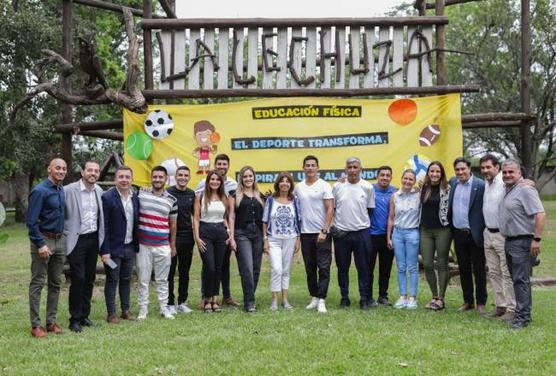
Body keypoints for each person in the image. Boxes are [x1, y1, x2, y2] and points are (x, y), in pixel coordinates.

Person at [499, 159, 545, 330]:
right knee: (517, 280)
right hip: (510, 241)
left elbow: (540, 214)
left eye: (511, 172)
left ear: (519, 173)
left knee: (521, 280)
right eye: (504, 172)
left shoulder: (526, 189)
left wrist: (536, 239)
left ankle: (523, 318)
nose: (507, 175)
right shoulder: (508, 189)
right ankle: (522, 314)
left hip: (522, 241)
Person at [27, 158, 67, 338]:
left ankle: (51, 322)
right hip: (43, 241)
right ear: (49, 169)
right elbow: (31, 221)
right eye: (57, 168)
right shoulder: (39, 191)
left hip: (60, 241)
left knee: (55, 283)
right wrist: (40, 243)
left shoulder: (61, 190)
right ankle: (35, 325)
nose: (61, 171)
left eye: (64, 168)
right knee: (38, 283)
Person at [64, 160, 105, 332]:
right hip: (76, 239)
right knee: (78, 278)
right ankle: (74, 319)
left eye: (96, 171)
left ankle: (85, 316)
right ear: (82, 172)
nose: (93, 173)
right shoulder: (68, 190)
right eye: (90, 170)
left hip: (93, 239)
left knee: (89, 278)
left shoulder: (99, 191)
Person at [195, 154, 239, 306]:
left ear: (228, 166)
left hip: (222, 231)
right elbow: (196, 212)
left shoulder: (233, 185)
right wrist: (197, 235)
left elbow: (229, 213)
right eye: (219, 164)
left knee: (222, 265)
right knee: (209, 265)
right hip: (206, 230)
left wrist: (229, 231)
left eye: (224, 164)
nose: (222, 167)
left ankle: (224, 297)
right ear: (214, 165)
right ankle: (205, 297)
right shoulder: (202, 185)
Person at [332, 157, 375, 310]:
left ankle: (364, 298)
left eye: (355, 167)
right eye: (349, 167)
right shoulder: (338, 186)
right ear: (345, 169)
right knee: (342, 267)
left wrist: (358, 223)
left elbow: (369, 209)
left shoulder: (368, 187)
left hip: (361, 233)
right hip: (341, 233)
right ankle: (344, 297)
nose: (352, 170)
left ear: (360, 169)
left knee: (363, 267)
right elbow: (333, 208)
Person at [136, 166, 178, 320]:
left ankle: (163, 308)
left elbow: (173, 225)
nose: (158, 179)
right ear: (151, 178)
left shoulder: (172, 200)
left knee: (162, 279)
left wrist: (172, 246)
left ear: (166, 179)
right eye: (155, 177)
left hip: (162, 245)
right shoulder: (141, 194)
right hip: (143, 245)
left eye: (161, 177)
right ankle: (143, 309)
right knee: (143, 279)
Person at [294, 155, 334, 313]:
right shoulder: (299, 187)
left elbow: (330, 208)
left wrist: (324, 230)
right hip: (305, 233)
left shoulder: (324, 185)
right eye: (307, 165)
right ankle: (314, 297)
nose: (310, 168)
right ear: (303, 168)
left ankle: (322, 299)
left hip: (322, 233)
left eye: (313, 165)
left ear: (318, 168)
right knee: (310, 267)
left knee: (323, 267)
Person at [100, 165, 139, 324]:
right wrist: (105, 250)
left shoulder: (135, 197)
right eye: (121, 177)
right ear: (115, 179)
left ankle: (125, 310)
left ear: (131, 179)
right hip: (113, 249)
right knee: (112, 280)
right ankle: (111, 313)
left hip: (129, 246)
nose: (124, 180)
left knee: (126, 278)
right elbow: (104, 226)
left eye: (127, 177)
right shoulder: (107, 197)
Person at [448, 157, 487, 314]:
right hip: (458, 234)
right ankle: (468, 301)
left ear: (469, 168)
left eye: (463, 169)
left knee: (479, 270)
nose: (460, 172)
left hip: (475, 234)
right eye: (457, 169)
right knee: (463, 269)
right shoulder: (453, 183)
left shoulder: (480, 185)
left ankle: (481, 303)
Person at [480, 154, 516, 321]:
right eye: (483, 168)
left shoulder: (504, 181)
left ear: (497, 167)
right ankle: (500, 306)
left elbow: (521, 182)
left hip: (502, 234)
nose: (485, 170)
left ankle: (512, 308)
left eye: (488, 167)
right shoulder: (487, 184)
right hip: (488, 233)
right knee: (494, 272)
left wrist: (528, 181)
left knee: (506, 272)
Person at [263, 172, 301, 310]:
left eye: (287, 181)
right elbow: (265, 221)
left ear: (291, 184)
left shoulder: (295, 200)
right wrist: (265, 239)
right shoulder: (271, 200)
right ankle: (274, 300)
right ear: (277, 183)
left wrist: (298, 239)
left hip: (290, 238)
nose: (284, 183)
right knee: (277, 268)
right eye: (282, 181)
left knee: (286, 270)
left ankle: (285, 300)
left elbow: (298, 220)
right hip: (273, 239)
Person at [419, 161, 451, 311]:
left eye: (437, 171)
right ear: (428, 173)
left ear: (442, 173)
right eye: (432, 171)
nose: (434, 174)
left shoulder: (448, 188)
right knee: (427, 264)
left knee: (442, 263)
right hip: (425, 230)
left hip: (442, 230)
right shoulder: (422, 187)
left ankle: (441, 298)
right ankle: (434, 295)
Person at [232, 166, 265, 312]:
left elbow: (265, 219)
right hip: (242, 234)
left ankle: (249, 296)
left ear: (254, 177)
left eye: (250, 176)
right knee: (247, 269)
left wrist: (265, 238)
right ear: (241, 179)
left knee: (256, 269)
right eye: (245, 176)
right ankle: (249, 302)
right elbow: (231, 217)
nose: (248, 179)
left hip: (257, 234)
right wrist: (231, 237)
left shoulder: (260, 195)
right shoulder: (235, 196)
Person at [387, 169, 421, 309]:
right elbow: (391, 218)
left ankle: (412, 297)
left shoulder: (419, 194)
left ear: (414, 182)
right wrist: (388, 236)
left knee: (412, 267)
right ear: (401, 179)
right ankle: (403, 296)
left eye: (411, 179)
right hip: (398, 234)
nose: (407, 181)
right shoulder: (395, 196)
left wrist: (422, 186)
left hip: (412, 233)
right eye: (405, 178)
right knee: (401, 267)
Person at [166, 166, 196, 314]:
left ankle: (182, 302)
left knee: (185, 272)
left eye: (186, 175)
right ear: (175, 177)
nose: (183, 177)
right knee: (170, 272)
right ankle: (170, 303)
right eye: (180, 175)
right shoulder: (168, 193)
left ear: (189, 177)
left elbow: (195, 216)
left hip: (187, 237)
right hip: (171, 237)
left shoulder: (192, 194)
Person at [368, 166, 396, 306]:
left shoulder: (395, 191)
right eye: (382, 175)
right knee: (369, 268)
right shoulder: (369, 189)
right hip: (370, 235)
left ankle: (383, 296)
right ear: (377, 176)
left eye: (388, 175)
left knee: (386, 268)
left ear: (391, 177)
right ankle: (368, 296)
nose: (385, 177)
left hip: (388, 236)